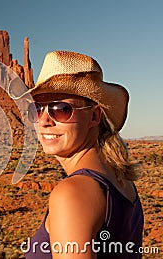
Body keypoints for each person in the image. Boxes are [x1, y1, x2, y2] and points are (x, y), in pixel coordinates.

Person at [9, 51, 143, 258]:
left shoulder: (72, 193)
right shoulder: (121, 182)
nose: (44, 121)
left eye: (61, 109)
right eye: (36, 109)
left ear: (94, 116)